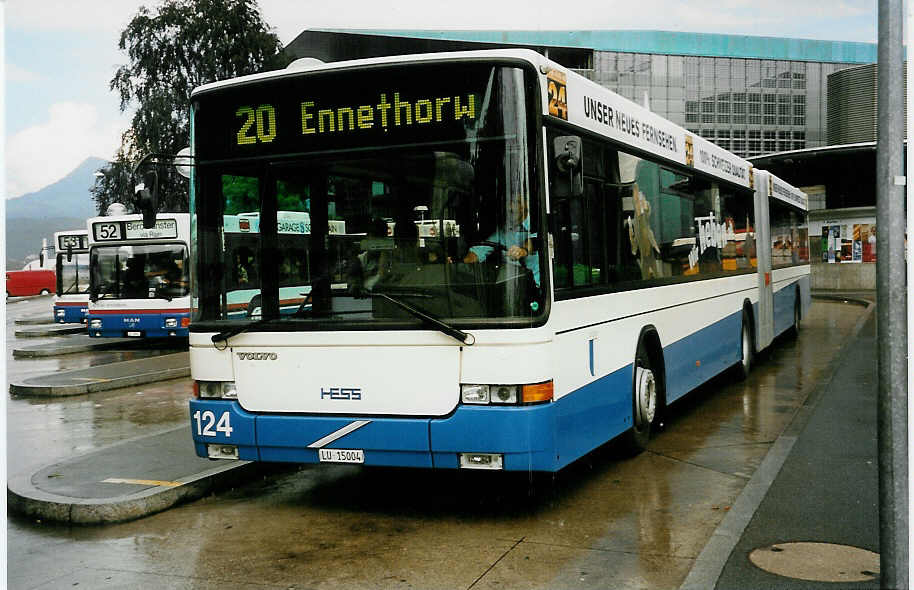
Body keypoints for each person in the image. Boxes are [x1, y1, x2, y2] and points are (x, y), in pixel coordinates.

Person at [462, 194, 540, 287]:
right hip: (511, 288)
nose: (510, 207)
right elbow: (481, 249)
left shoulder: (538, 223)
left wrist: (522, 251)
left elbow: (533, 242)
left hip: (535, 288)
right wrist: (465, 262)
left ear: (524, 206)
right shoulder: (503, 230)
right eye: (508, 202)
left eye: (516, 202)